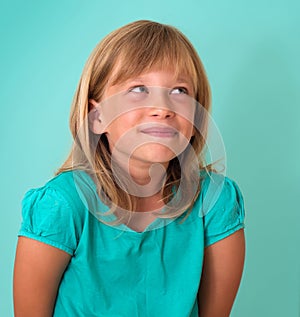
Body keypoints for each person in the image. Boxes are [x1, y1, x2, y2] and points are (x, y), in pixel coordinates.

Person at [13, 20, 245, 317]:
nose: (162, 108)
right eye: (138, 89)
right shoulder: (61, 206)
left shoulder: (216, 203)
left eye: (179, 90)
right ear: (97, 117)